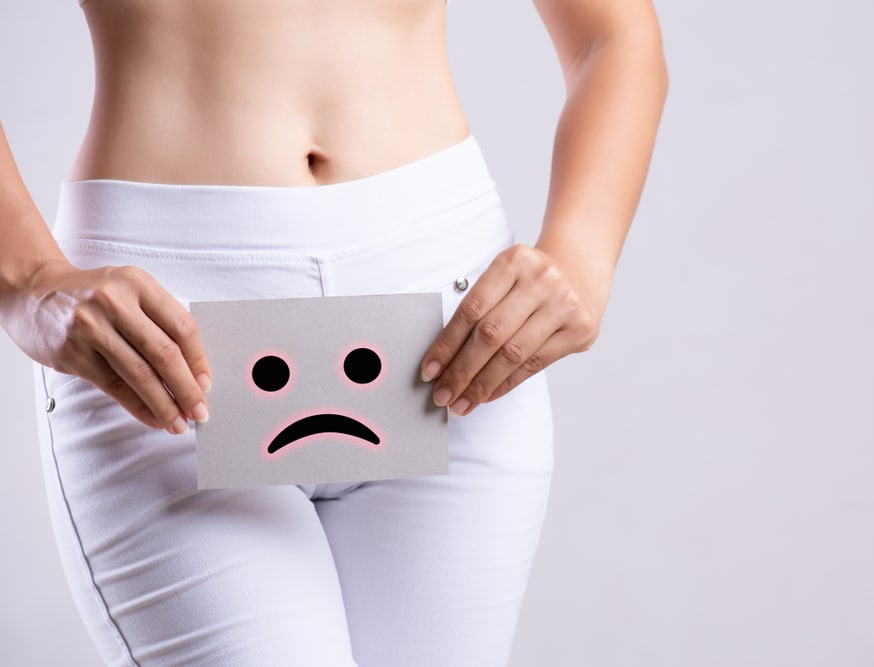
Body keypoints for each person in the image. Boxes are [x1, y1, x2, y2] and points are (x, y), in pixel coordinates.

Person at [0, 0, 667, 665]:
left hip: (453, 330)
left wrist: (582, 254)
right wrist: (25, 276)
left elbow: (614, 33)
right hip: (162, 342)